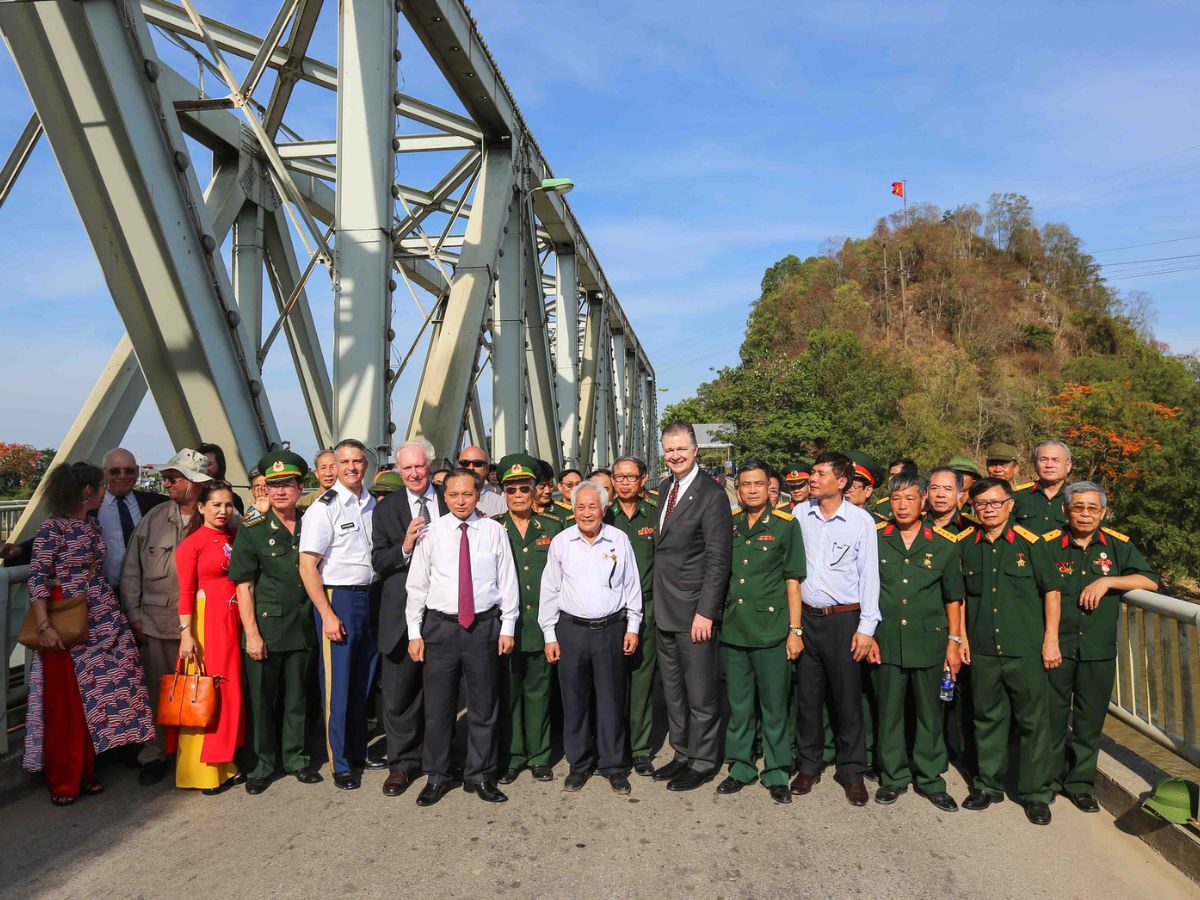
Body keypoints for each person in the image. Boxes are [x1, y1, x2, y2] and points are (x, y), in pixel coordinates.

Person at [23, 463, 155, 805]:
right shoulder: (53, 529)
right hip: (68, 624)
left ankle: (87, 769)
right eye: (100, 486)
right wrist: (44, 626)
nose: (104, 490)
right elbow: (37, 580)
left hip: (102, 620)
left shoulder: (90, 524)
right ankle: (66, 779)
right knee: (66, 703)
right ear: (87, 492)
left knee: (96, 699)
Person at [406, 467, 518, 806]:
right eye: (453, 494)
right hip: (440, 628)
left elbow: (507, 580)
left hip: (483, 627)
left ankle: (480, 774)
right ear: (445, 496)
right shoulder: (432, 533)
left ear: (478, 494)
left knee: (484, 705)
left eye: (467, 494)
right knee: (439, 707)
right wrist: (414, 632)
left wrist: (508, 626)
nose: (460, 501)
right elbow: (417, 586)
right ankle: (438, 775)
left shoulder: (494, 531)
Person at [1044, 481, 1157, 813]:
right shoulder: (1048, 545)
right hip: (1055, 646)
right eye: (1078, 507)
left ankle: (1079, 784)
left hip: (1098, 650)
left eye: (1093, 508)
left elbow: (1149, 580)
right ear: (1066, 510)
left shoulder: (1118, 546)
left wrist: (1109, 580)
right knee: (1050, 718)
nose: (1085, 514)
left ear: (1104, 512)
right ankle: (1046, 782)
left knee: (1089, 721)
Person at [958, 477, 1062, 826]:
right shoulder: (965, 544)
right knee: (987, 718)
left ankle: (1036, 794)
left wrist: (1051, 639)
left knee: (1033, 722)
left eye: (995, 502)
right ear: (973, 507)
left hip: (1025, 649)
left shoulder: (1031, 544)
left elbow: (1051, 592)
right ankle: (987, 785)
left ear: (1010, 504)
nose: (988, 509)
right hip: (983, 648)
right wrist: (960, 637)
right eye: (981, 504)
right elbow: (958, 598)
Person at [228, 451, 322, 795]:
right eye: (273, 485)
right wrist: (251, 634)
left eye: (287, 485)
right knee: (262, 700)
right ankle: (262, 764)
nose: (280, 492)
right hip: (266, 628)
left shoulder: (313, 521)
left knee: (298, 697)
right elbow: (244, 585)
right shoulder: (253, 529)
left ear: (300, 487)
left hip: (303, 624)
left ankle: (296, 759)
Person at [540, 480, 642, 794]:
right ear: (573, 509)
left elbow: (631, 585)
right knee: (575, 701)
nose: (587, 513)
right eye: (581, 506)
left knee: (611, 701)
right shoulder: (561, 542)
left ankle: (613, 766)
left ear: (603, 508)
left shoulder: (619, 539)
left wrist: (633, 626)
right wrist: (549, 633)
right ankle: (580, 765)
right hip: (571, 632)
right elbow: (550, 589)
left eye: (593, 506)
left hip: (611, 630)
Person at [872, 473, 965, 812]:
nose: (902, 505)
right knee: (890, 712)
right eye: (896, 499)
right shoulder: (876, 539)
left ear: (923, 501)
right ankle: (893, 776)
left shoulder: (943, 544)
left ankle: (930, 779)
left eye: (910, 498)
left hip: (929, 641)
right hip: (886, 640)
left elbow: (953, 597)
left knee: (930, 714)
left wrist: (953, 642)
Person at [791, 452, 880, 807]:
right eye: (812, 471)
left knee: (847, 700)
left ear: (841, 481)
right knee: (808, 698)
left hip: (845, 620)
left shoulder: (860, 522)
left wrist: (867, 627)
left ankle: (852, 771)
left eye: (820, 473)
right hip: (808, 619)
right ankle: (809, 765)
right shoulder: (800, 514)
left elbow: (869, 576)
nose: (812, 478)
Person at [120, 447, 211, 785]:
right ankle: (156, 754)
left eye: (175, 477)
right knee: (160, 693)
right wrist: (134, 616)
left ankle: (198, 756)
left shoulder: (216, 515)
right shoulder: (154, 518)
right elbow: (132, 570)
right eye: (166, 476)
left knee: (201, 690)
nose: (167, 481)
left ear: (196, 483)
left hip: (204, 625)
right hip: (159, 623)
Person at [717, 460, 805, 805]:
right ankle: (740, 766)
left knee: (774, 705)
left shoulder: (785, 525)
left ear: (770, 487)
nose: (751, 490)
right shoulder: (730, 525)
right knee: (739, 705)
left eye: (757, 484)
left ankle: (777, 770)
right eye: (745, 485)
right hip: (736, 629)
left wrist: (795, 630)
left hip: (771, 631)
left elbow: (793, 582)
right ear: (737, 489)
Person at [652, 423, 732, 791]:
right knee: (674, 691)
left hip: (694, 613)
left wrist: (706, 612)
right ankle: (682, 752)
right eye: (669, 450)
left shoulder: (711, 494)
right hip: (666, 610)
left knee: (701, 694)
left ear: (695, 449)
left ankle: (703, 760)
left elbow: (718, 559)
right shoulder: (666, 488)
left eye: (681, 449)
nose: (675, 456)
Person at [298, 438, 379, 791]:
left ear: (366, 465)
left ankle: (359, 749)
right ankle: (340, 761)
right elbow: (307, 567)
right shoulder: (323, 508)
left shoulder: (373, 503)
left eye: (357, 461)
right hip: (339, 599)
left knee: (363, 680)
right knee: (339, 685)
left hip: (370, 597)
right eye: (344, 462)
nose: (350, 467)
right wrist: (327, 614)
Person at [370, 440, 447, 797]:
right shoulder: (386, 510)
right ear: (398, 472)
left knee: (441, 694)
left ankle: (440, 763)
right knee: (399, 695)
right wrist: (405, 546)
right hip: (400, 614)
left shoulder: (452, 498)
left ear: (429, 465)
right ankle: (401, 764)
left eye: (419, 466)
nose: (414, 473)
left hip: (443, 613)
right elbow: (380, 563)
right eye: (407, 469)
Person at [172, 480, 244, 793]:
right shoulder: (193, 544)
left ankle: (226, 760)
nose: (223, 511)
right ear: (201, 507)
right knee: (208, 691)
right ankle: (204, 770)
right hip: (207, 624)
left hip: (232, 621)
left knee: (229, 692)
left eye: (228, 505)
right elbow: (185, 591)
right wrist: (187, 634)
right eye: (215, 504)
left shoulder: (233, 535)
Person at [493, 454, 561, 785]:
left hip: (540, 625)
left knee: (539, 692)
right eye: (511, 490)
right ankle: (513, 755)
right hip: (506, 627)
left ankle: (539, 755)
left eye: (524, 488)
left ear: (535, 490)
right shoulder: (492, 528)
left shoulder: (553, 527)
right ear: (502, 492)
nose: (518, 495)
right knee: (509, 692)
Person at [609, 456, 658, 777]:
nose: (624, 483)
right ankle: (611, 744)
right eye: (619, 477)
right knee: (610, 679)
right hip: (609, 609)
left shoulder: (656, 514)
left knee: (641, 677)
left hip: (649, 605)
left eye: (631, 477)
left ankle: (639, 748)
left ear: (643, 480)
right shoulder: (601, 513)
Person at [93, 448, 166, 595]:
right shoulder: (90, 508)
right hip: (104, 597)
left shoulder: (157, 504)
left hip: (147, 595)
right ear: (103, 473)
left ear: (137, 472)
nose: (122, 476)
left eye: (129, 471)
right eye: (114, 471)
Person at [1014, 440, 1073, 531]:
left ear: (1068, 465)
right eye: (1043, 460)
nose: (1049, 465)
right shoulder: (1019, 496)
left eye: (1055, 460)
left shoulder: (1078, 497)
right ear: (1035, 465)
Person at [457, 445, 506, 517]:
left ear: (487, 468)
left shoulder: (500, 504)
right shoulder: (442, 501)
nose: (471, 468)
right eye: (465, 463)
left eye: (477, 464)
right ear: (458, 467)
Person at [196, 441, 244, 514]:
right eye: (201, 466)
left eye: (209, 464)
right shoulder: (195, 498)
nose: (204, 469)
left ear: (220, 465)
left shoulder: (234, 499)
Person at [924, 466, 975, 534]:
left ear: (959, 493)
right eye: (934, 488)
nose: (940, 495)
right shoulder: (915, 523)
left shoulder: (971, 527)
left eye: (948, 489)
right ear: (926, 493)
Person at [844, 451, 887, 523]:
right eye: (844, 485)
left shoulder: (877, 526)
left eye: (852, 486)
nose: (845, 491)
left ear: (868, 491)